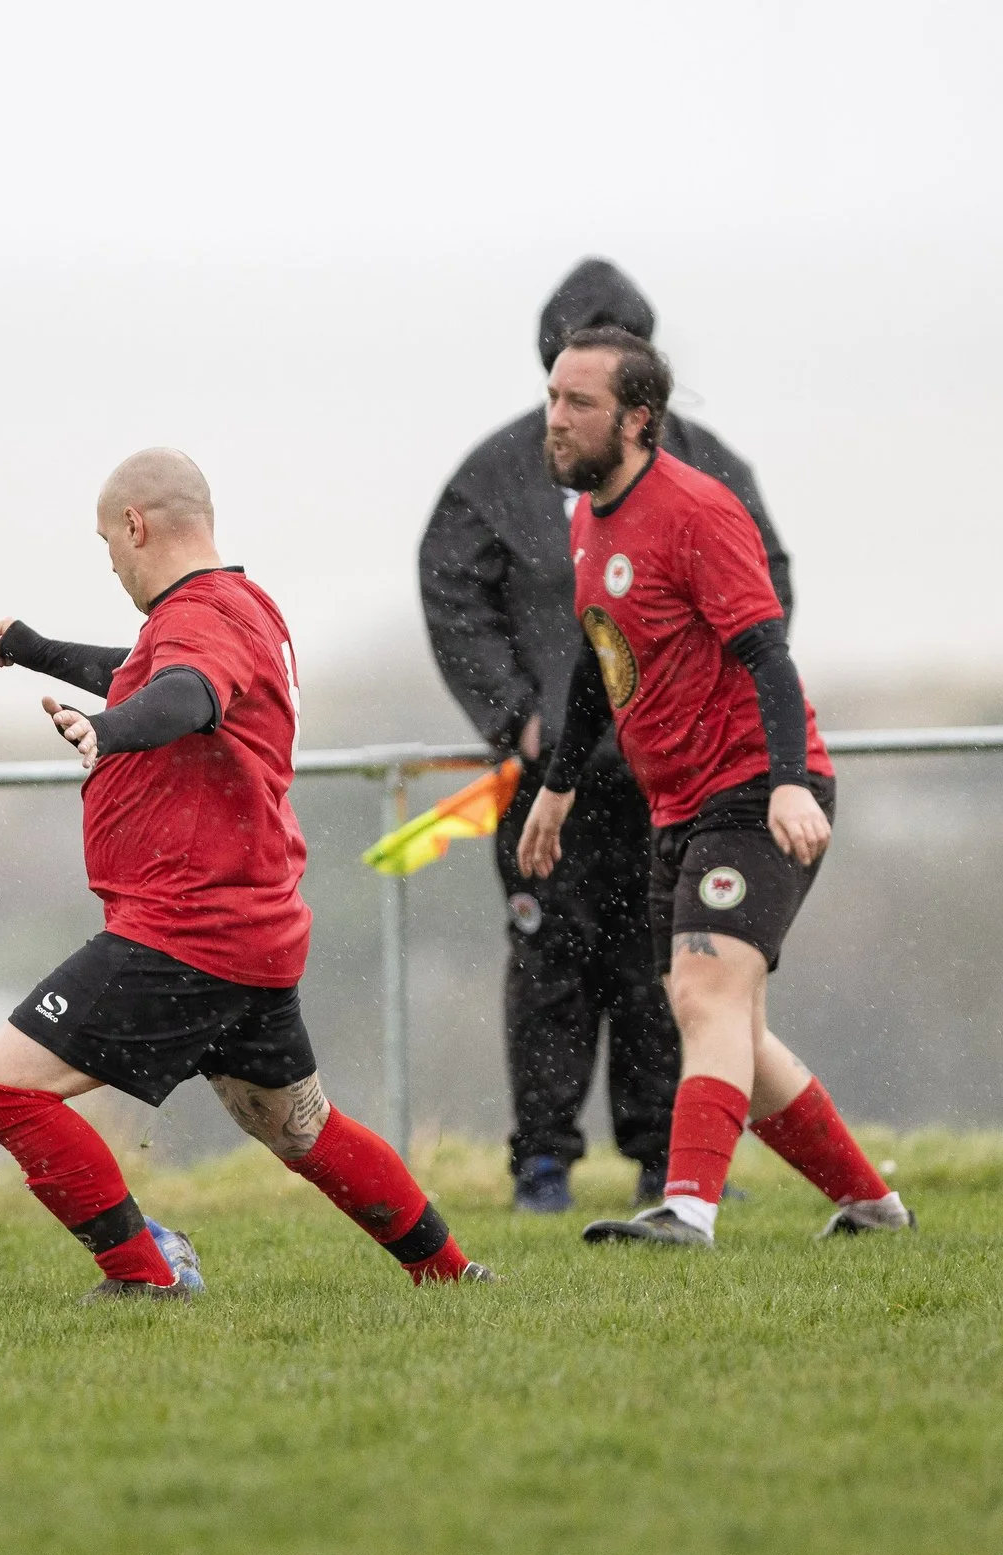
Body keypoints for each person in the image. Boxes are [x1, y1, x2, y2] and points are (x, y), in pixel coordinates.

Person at [0, 448, 494, 1297]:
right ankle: (450, 1271)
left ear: (136, 525)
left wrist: (107, 733)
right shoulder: (232, 607)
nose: (110, 564)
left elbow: (184, 695)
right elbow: (149, 671)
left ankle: (141, 1276)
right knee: (299, 1128)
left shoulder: (202, 620)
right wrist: (38, 650)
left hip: (186, 930)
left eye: (108, 545)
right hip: (246, 930)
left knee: (8, 1088)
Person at [515, 330, 912, 1247]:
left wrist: (785, 784)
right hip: (680, 806)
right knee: (737, 1026)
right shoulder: (587, 522)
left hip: (756, 791)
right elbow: (595, 665)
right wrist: (558, 789)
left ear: (639, 419)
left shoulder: (698, 511)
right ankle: (874, 1207)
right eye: (553, 397)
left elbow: (768, 654)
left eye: (580, 403)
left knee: (703, 997)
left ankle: (688, 1209)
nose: (557, 418)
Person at [420, 259, 799, 1213]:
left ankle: (666, 1160)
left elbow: (767, 593)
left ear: (638, 386)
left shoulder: (707, 471)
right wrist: (516, 717)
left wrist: (700, 715)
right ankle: (542, 1166)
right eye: (557, 379)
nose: (561, 411)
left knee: (666, 974)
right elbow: (452, 590)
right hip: (551, 776)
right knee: (548, 965)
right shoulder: (499, 474)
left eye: (583, 387)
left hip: (675, 781)